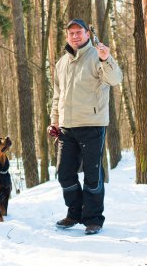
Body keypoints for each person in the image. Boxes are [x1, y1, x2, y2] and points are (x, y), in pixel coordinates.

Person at [49, 18, 122, 235]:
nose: (75, 36)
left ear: (87, 34)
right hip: (66, 128)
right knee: (64, 174)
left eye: (79, 32)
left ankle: (93, 219)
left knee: (92, 175)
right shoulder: (62, 63)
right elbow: (57, 96)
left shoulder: (98, 55)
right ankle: (75, 213)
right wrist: (54, 121)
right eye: (71, 33)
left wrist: (106, 58)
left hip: (92, 125)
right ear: (67, 36)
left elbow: (115, 79)